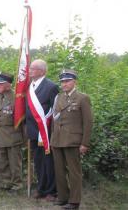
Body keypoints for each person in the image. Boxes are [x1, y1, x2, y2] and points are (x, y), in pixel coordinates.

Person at [51, 69, 93, 209]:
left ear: (74, 81)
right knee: (59, 170)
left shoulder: (82, 98)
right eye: (62, 81)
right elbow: (55, 120)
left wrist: (84, 143)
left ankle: (74, 201)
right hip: (57, 140)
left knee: (74, 172)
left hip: (73, 141)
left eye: (67, 81)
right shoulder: (59, 98)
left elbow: (88, 122)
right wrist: (52, 138)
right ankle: (63, 197)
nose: (64, 84)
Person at [26, 59, 59, 200]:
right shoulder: (29, 86)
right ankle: (41, 188)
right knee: (38, 161)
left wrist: (49, 129)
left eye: (33, 68)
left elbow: (55, 110)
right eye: (30, 68)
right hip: (33, 131)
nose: (30, 71)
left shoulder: (51, 86)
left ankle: (52, 190)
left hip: (46, 132)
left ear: (42, 71)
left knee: (49, 161)